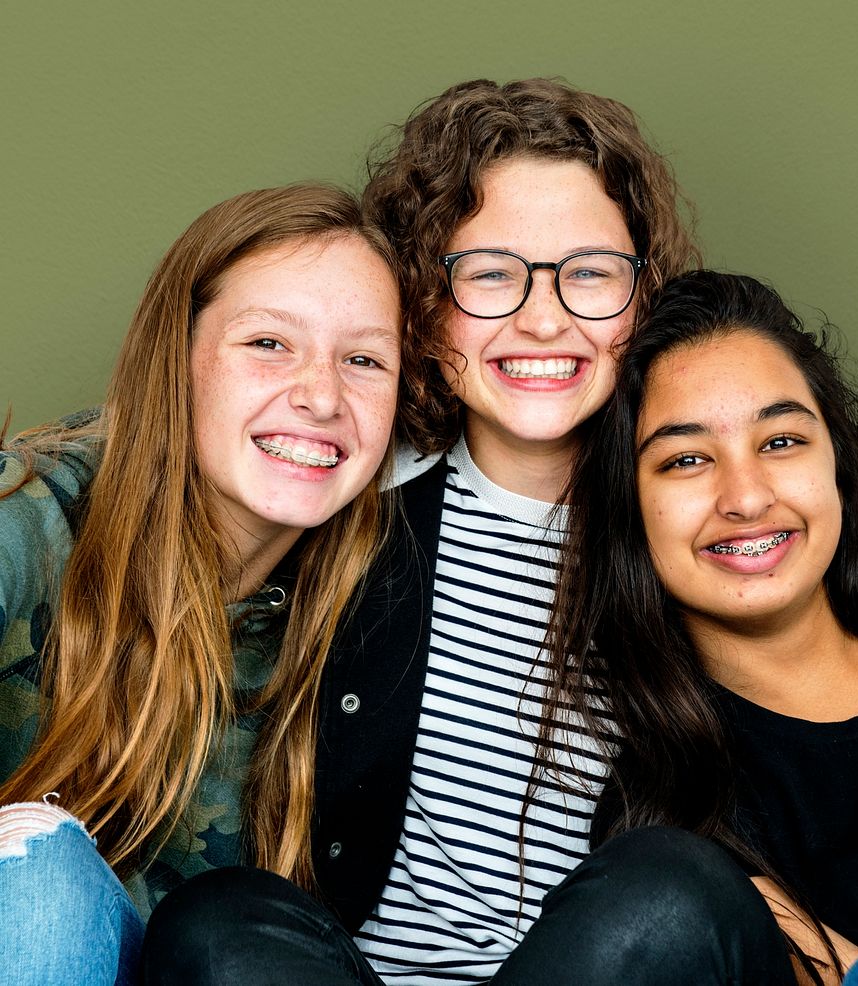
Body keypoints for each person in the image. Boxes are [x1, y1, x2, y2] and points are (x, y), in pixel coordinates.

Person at [141, 79, 810, 985]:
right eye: (492, 273)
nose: (543, 318)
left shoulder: (706, 519)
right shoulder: (337, 485)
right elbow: (173, 454)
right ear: (422, 302)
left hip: (595, 965)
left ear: (643, 297)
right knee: (216, 920)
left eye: (591, 272)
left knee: (673, 884)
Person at [545, 270, 858, 982]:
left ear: (838, 463)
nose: (747, 497)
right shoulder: (674, 819)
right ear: (631, 513)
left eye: (781, 441)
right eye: (686, 459)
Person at [0, 182, 402, 985]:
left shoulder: (372, 613)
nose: (322, 395)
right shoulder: (27, 520)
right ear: (173, 357)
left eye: (364, 360)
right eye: (268, 344)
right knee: (43, 878)